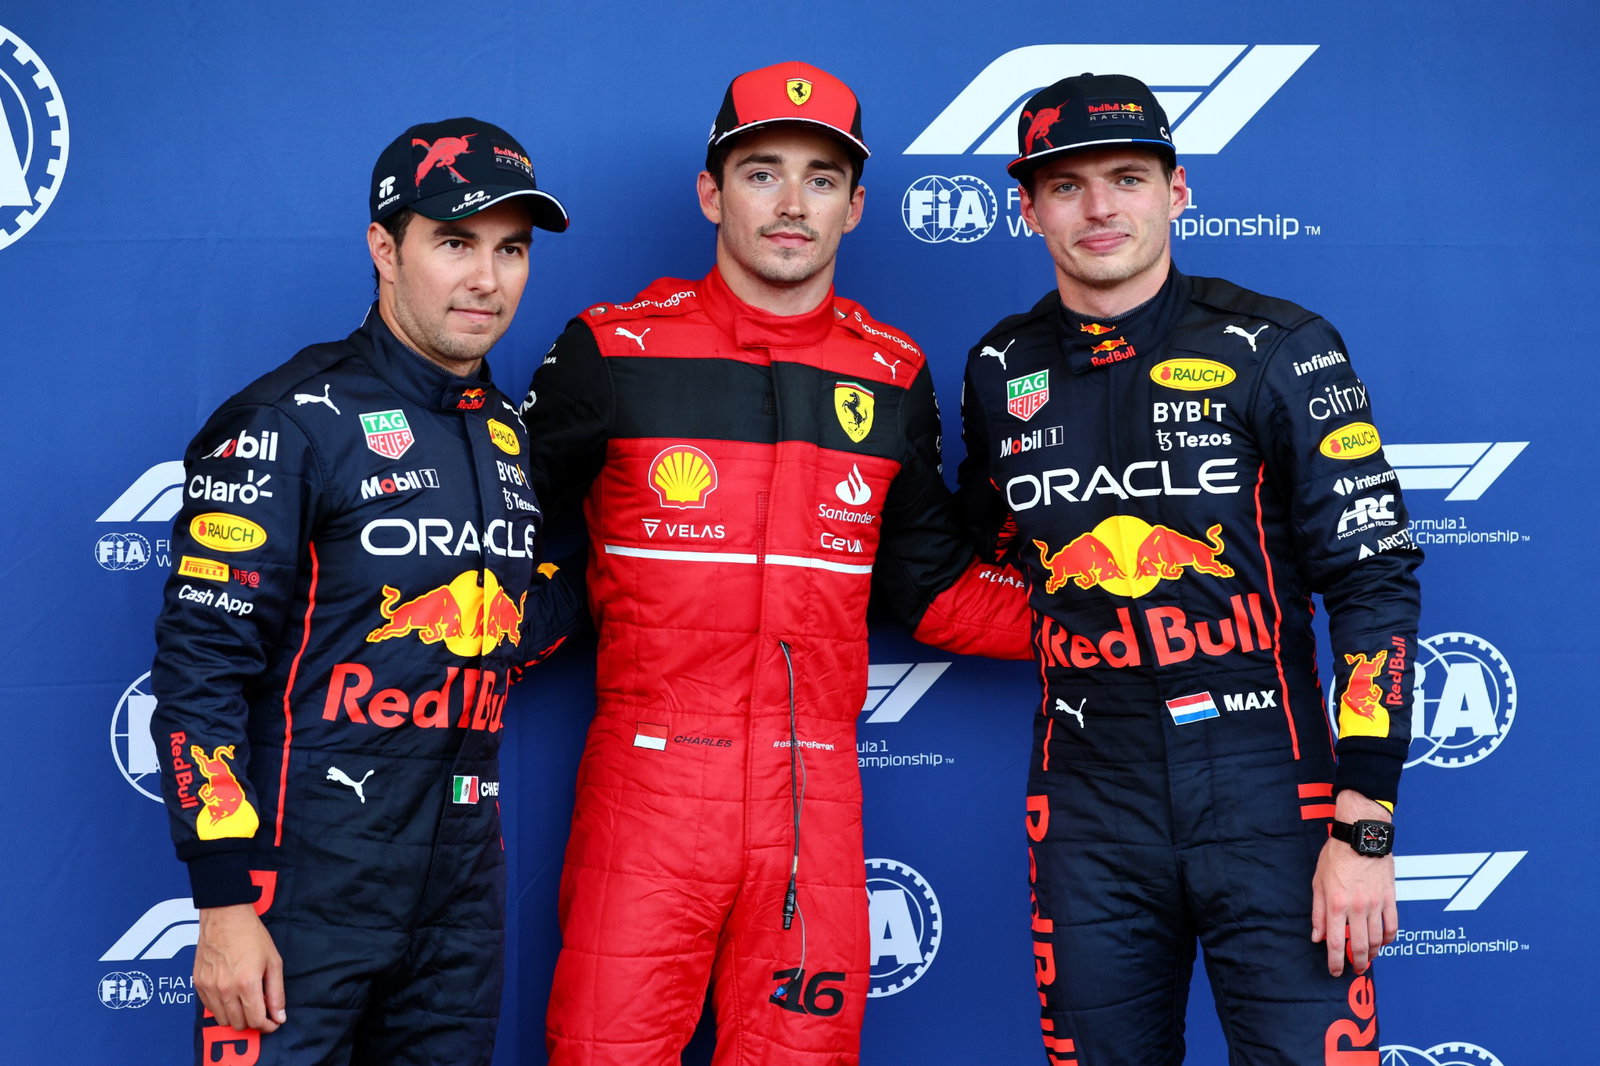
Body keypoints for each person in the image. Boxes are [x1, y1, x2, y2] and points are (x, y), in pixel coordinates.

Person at [521, 61, 1030, 1065]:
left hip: (816, 796)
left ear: (855, 207)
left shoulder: (891, 373)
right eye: (762, 172)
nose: (792, 203)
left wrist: (1112, 621)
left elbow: (928, 587)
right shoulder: (611, 350)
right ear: (712, 192)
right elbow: (498, 537)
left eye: (822, 178)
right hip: (650, 786)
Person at [954, 73, 1423, 1065]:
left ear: (1177, 191)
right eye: (1064, 185)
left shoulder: (1282, 348)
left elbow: (1372, 583)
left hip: (1272, 792)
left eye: (1126, 177)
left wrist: (1364, 826)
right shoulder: (1000, 368)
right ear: (1027, 206)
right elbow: (978, 554)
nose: (1097, 207)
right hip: (1086, 801)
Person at [150, 116, 578, 1065]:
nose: (487, 279)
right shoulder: (287, 419)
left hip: (461, 895)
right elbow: (199, 671)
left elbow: (514, 629)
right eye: (455, 244)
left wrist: (601, 553)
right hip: (300, 890)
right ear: (385, 248)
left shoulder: (507, 433)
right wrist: (223, 901)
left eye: (511, 250)